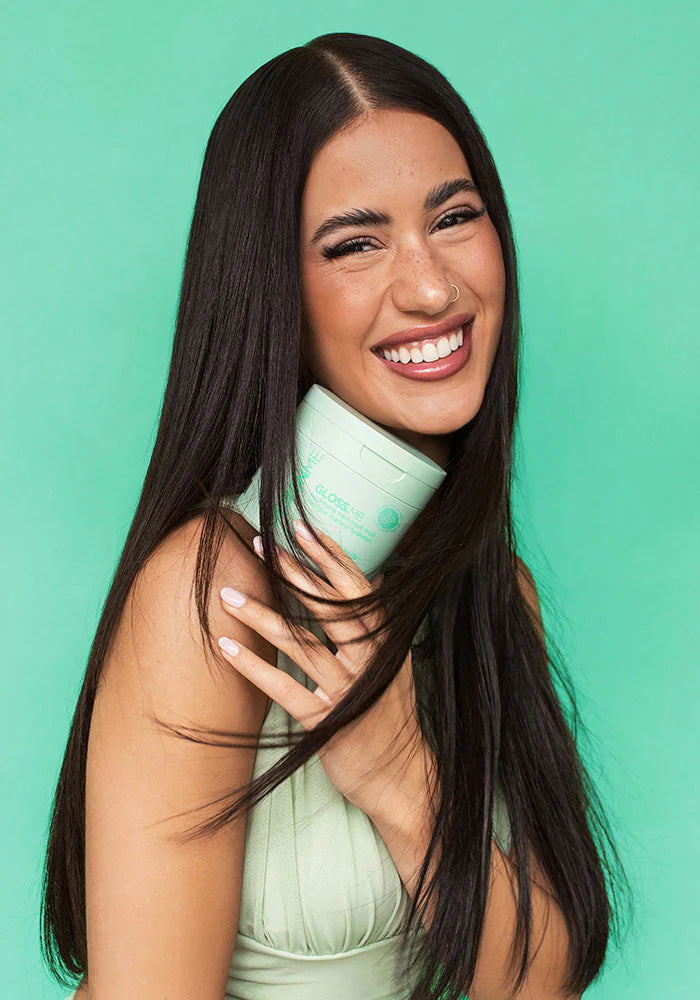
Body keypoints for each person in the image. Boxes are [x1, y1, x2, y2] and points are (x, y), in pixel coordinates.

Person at [42, 31, 631, 1000]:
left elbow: (542, 983)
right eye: (356, 243)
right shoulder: (210, 599)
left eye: (454, 217)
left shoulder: (491, 588)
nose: (432, 286)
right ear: (272, 289)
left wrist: (397, 770)